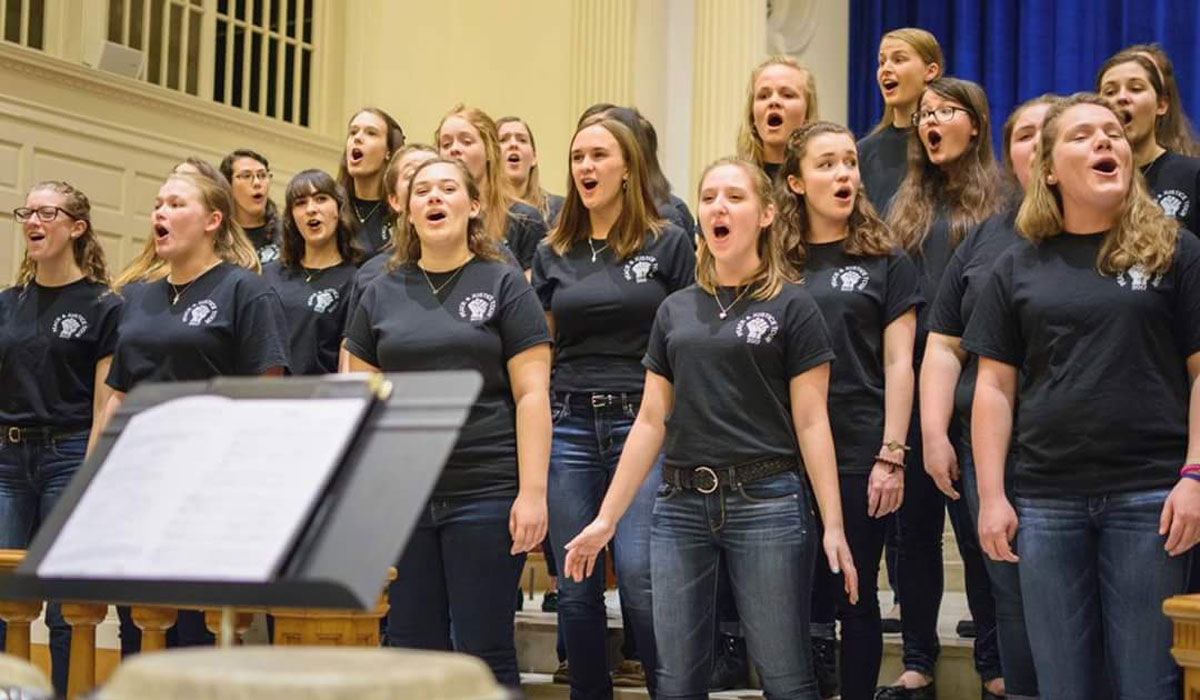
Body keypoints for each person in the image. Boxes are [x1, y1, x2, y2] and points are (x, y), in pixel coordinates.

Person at [563, 157, 858, 699]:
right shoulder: (676, 309)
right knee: (674, 680)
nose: (718, 207)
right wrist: (607, 518)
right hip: (678, 505)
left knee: (785, 674)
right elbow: (651, 421)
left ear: (767, 214)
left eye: (735, 197)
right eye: (709, 197)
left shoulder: (794, 306)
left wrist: (834, 524)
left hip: (766, 500)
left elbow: (813, 421)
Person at [966, 93, 1200, 700]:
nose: (1106, 141)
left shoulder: (1177, 250)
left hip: (1150, 497)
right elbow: (993, 386)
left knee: (1146, 683)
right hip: (1047, 499)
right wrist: (992, 495)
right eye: (1083, 135)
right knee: (1063, 685)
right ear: (1048, 170)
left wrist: (1196, 475)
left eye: (1114, 132)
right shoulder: (1015, 265)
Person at [344, 157, 551, 689]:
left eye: (448, 189)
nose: (434, 198)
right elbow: (355, 402)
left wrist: (532, 493)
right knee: (411, 650)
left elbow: (531, 395)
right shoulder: (379, 291)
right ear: (406, 211)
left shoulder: (504, 284)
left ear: (473, 205)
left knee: (484, 653)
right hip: (403, 496)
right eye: (422, 191)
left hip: (484, 489)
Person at [531, 116, 696, 700]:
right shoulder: (553, 250)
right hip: (570, 421)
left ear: (627, 167)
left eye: (599, 155)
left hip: (643, 421)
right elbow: (541, 345)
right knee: (574, 581)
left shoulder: (669, 240)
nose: (586, 167)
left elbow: (688, 336)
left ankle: (665, 687)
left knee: (639, 574)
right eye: (578, 156)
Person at [104, 172, 290, 652]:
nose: (159, 213)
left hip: (208, 486)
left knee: (194, 632)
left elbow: (265, 395)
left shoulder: (244, 290)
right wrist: (95, 478)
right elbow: (119, 395)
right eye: (157, 204)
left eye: (175, 203)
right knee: (139, 627)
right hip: (139, 480)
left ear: (212, 220)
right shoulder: (138, 296)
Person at [777, 122, 921, 700]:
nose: (844, 175)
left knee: (854, 592)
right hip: (780, 451)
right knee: (788, 595)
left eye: (849, 163)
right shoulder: (774, 261)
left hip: (860, 444)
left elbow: (898, 363)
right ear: (795, 182)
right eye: (827, 164)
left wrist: (893, 452)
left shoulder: (886, 258)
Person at [922, 96, 1059, 700]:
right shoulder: (982, 239)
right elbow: (944, 344)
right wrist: (931, 433)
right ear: (1010, 154)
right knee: (1008, 592)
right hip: (987, 444)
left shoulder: (1107, 230)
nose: (1037, 143)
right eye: (1024, 134)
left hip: (1075, 444)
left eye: (1049, 132)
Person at [880, 76, 1005, 700]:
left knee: (979, 537)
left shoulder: (1001, 205)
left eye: (944, 112)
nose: (930, 123)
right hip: (910, 388)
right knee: (912, 539)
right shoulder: (905, 206)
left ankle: (993, 662)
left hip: (976, 388)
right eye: (924, 115)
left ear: (976, 124)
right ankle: (919, 661)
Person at [0, 181, 118, 696]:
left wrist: (93, 472)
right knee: (5, 597)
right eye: (27, 212)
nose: (33, 221)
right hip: (7, 459)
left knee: (65, 606)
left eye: (47, 212)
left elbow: (103, 402)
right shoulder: (7, 304)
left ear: (77, 227)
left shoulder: (103, 305)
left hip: (67, 456)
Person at [338, 144, 439, 373]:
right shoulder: (371, 275)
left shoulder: (495, 262)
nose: (424, 182)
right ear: (393, 200)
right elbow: (352, 363)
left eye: (432, 171)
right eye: (413, 174)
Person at [263, 169, 362, 375]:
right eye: (300, 203)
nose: (311, 209)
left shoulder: (356, 280)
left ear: (338, 208)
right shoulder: (269, 275)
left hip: (323, 398)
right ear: (292, 216)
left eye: (321, 199)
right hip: (269, 398)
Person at [1097, 49, 1200, 236]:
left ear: (1161, 105)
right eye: (1110, 92)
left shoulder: (1193, 174)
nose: (1121, 98)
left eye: (1136, 89)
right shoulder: (1091, 177)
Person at [436, 105, 548, 272]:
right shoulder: (435, 217)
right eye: (446, 144)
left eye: (466, 142)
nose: (454, 150)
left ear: (490, 151)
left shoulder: (525, 219)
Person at [859, 28, 943, 215]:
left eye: (899, 60)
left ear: (930, 71)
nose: (885, 69)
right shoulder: (864, 151)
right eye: (881, 62)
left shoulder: (945, 143)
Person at [336, 107, 406, 257]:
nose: (357, 138)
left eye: (371, 133)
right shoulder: (333, 207)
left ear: (388, 151)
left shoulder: (402, 212)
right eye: (353, 132)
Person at [737, 55, 819, 181]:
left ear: (807, 113)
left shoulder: (820, 181)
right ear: (752, 115)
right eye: (764, 96)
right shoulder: (738, 181)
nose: (773, 101)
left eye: (787, 95)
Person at [498, 116, 565, 228]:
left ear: (534, 157)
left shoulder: (560, 210)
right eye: (503, 140)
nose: (513, 144)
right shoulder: (479, 211)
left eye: (522, 140)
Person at [219, 148, 283, 263]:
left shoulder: (287, 232)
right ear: (228, 185)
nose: (257, 183)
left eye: (262, 175)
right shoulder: (216, 236)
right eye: (246, 176)